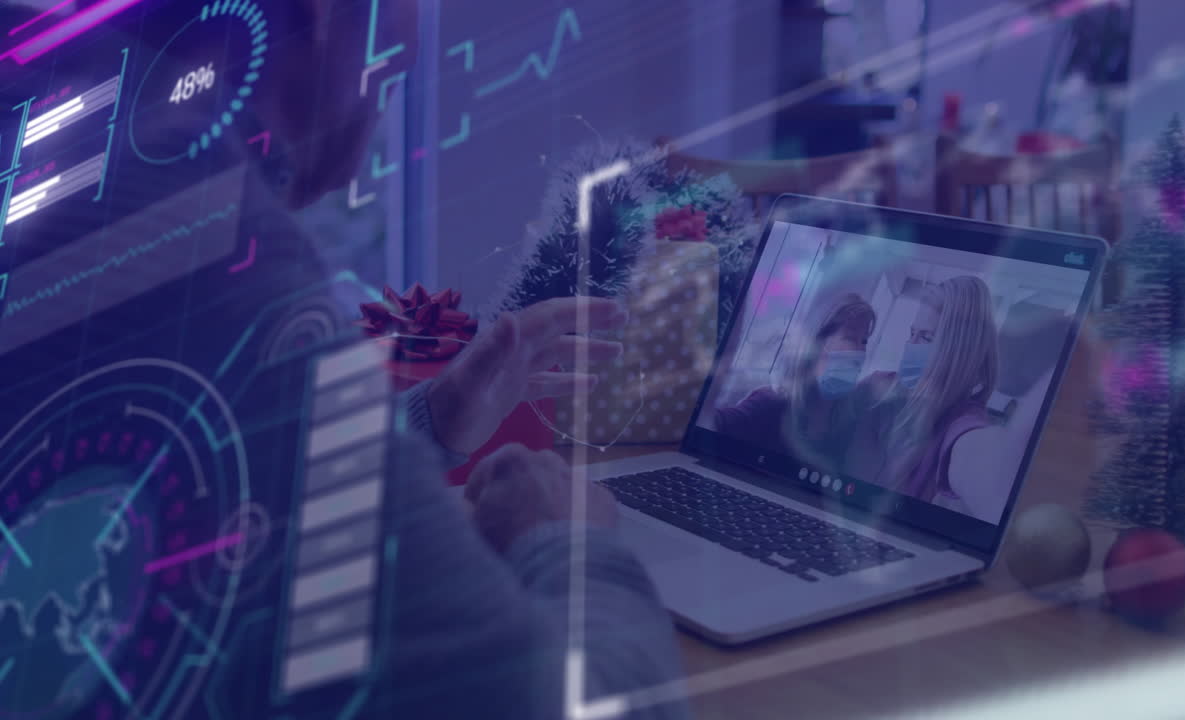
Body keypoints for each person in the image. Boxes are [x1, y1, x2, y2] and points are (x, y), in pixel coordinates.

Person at [0, 1, 686, 717]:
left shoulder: (60, 134)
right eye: (390, 72)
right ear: (334, 19)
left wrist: (427, 423)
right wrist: (567, 543)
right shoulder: (190, 227)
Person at [870, 276, 1002, 519]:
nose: (910, 345)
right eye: (912, 333)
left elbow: (981, 467)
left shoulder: (962, 424)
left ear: (959, 352)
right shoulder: (881, 383)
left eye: (926, 338)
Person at [714, 294, 877, 468]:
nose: (860, 351)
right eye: (851, 338)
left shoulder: (844, 427)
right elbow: (711, 426)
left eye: (864, 341)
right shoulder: (771, 405)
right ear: (821, 341)